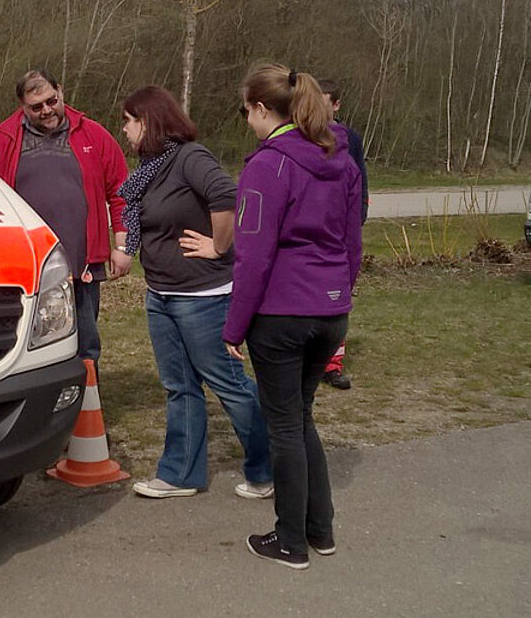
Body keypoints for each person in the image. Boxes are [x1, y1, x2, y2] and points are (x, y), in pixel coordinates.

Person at [223, 64, 362, 570]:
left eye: (246, 111)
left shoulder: (269, 165)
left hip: (282, 312)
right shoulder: (340, 158)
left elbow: (253, 255)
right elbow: (353, 241)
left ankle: (290, 540)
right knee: (301, 417)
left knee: (284, 425)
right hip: (330, 308)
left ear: (263, 109)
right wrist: (339, 294)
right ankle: (319, 529)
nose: (247, 121)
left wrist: (234, 326)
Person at [117, 85, 271, 500]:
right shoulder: (150, 168)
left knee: (229, 385)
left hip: (203, 297)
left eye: (129, 121)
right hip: (161, 294)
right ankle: (180, 474)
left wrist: (219, 246)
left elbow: (227, 195)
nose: (124, 129)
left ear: (149, 121)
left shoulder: (189, 157)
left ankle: (270, 468)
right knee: (179, 386)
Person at [0, 70, 131, 363]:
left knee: (86, 344)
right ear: (22, 106)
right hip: (26, 266)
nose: (46, 110)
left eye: (51, 101)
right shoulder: (3, 141)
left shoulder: (93, 134)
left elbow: (122, 193)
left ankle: (87, 392)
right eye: (36, 106)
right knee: (28, 346)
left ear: (60, 91)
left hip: (82, 263)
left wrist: (123, 246)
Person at [317, 77, 369, 390]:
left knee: (337, 298)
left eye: (323, 102)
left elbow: (360, 180)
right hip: (313, 232)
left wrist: (359, 214)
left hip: (340, 234)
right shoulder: (299, 135)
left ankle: (332, 365)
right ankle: (307, 360)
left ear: (336, 105)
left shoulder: (351, 139)